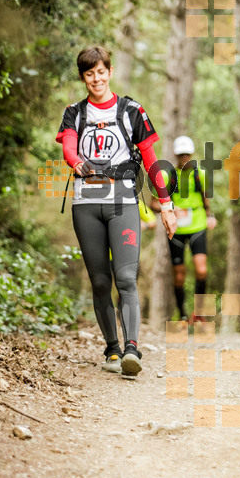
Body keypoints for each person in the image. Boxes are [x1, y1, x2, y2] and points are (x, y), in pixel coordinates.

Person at [56, 45, 177, 376]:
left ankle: (131, 349)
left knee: (125, 276)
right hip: (86, 204)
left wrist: (165, 204)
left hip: (122, 201)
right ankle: (111, 347)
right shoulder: (75, 112)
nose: (96, 78)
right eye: (89, 73)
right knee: (99, 280)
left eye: (100, 71)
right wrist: (77, 162)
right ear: (83, 77)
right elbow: (68, 144)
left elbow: (151, 160)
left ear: (109, 71)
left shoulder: (131, 110)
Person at [151, 136, 216, 321]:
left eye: (187, 154)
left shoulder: (200, 174)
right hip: (176, 229)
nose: (185, 158)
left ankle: (200, 313)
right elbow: (153, 204)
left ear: (192, 154)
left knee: (201, 270)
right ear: (176, 155)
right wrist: (170, 209)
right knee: (179, 276)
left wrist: (210, 216)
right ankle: (183, 315)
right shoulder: (167, 176)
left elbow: (206, 200)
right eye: (181, 155)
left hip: (198, 225)